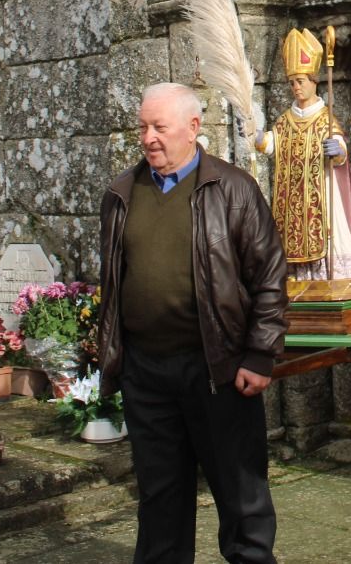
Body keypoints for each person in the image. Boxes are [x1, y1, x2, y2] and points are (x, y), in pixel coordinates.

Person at [94, 83, 288, 564]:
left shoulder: (233, 189)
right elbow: (114, 281)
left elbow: (269, 276)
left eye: (160, 127)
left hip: (217, 369)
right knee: (160, 496)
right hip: (147, 373)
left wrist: (260, 354)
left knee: (241, 495)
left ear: (193, 128)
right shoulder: (121, 194)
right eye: (143, 126)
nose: (148, 137)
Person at [258, 27, 351, 283]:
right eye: (292, 82)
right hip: (292, 202)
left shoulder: (325, 118)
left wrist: (337, 151)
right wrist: (254, 134)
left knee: (327, 242)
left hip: (321, 199)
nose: (295, 87)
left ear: (314, 81)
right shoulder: (285, 121)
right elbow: (272, 145)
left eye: (300, 81)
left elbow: (339, 147)